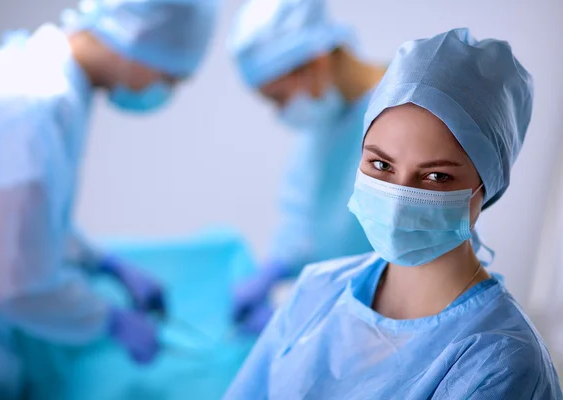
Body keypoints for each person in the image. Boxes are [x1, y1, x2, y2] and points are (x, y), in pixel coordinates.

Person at [224, 28, 563, 399]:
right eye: (381, 165)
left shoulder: (497, 363)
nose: (400, 197)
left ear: (486, 187)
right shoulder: (316, 292)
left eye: (436, 176)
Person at [0, 0, 218, 397]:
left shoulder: (54, 86)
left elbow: (22, 222)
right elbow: (9, 282)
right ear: (140, 37)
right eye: (170, 77)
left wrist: (102, 262)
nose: (165, 91)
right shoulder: (28, 100)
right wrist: (109, 320)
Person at [228, 0, 386, 334]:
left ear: (314, 62)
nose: (281, 112)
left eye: (279, 98)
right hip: (343, 321)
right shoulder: (324, 122)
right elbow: (306, 217)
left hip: (385, 326)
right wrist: (276, 266)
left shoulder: (403, 110)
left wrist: (299, 326)